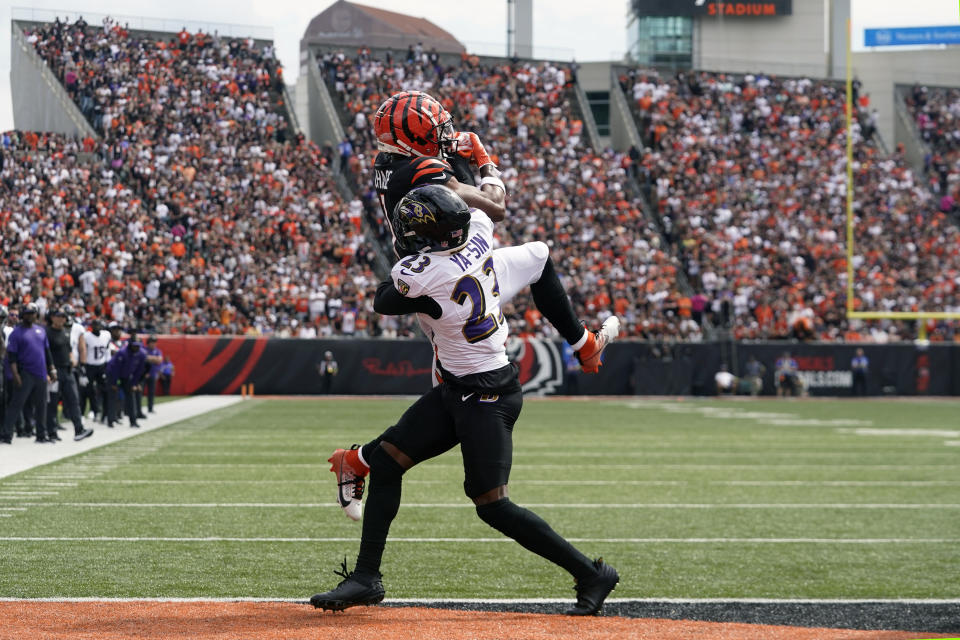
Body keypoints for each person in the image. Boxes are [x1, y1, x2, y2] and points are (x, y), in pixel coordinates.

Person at [309, 185, 620, 616]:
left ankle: (591, 573)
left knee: (492, 505)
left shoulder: (422, 273)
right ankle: (366, 577)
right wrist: (476, 174)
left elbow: (384, 299)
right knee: (387, 462)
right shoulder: (477, 233)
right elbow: (509, 226)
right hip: (461, 387)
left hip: (487, 396)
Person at [1, 303, 56, 444]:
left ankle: (41, 435)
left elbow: (47, 352)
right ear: (22, 315)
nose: (30, 315)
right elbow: (11, 356)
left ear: (36, 315)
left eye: (32, 313)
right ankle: (7, 435)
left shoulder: (41, 331)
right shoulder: (16, 333)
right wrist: (16, 375)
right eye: (27, 313)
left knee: (41, 405)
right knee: (16, 404)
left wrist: (52, 369)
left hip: (41, 373)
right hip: (25, 372)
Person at [45, 308, 93, 441]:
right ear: (52, 317)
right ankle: (51, 432)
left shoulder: (65, 332)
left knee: (74, 400)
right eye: (59, 316)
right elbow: (44, 353)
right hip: (55, 371)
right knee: (53, 403)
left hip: (67, 370)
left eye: (63, 317)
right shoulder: (47, 333)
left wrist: (73, 358)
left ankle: (79, 429)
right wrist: (48, 372)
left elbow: (69, 350)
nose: (62, 319)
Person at [105, 337, 147, 428]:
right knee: (113, 396)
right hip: (113, 374)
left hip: (126, 376)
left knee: (131, 397)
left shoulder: (142, 355)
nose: (136, 348)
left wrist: (134, 383)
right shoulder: (122, 353)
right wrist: (114, 383)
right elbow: (115, 369)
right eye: (134, 346)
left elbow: (139, 371)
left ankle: (133, 421)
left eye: (138, 346)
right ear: (130, 345)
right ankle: (111, 420)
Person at [81, 318, 111, 422]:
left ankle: (106, 414)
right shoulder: (87, 336)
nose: (97, 327)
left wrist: (108, 364)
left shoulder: (106, 335)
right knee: (87, 390)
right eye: (95, 325)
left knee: (105, 390)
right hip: (90, 365)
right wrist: (83, 368)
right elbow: (82, 351)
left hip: (102, 365)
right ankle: (93, 410)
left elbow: (107, 350)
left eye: (98, 325)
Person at [142, 335, 163, 413]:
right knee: (140, 392)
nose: (153, 344)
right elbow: (144, 358)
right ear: (148, 343)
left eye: (154, 342)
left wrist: (150, 358)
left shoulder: (158, 351)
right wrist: (154, 358)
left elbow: (159, 360)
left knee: (151, 392)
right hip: (143, 374)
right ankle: (138, 409)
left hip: (153, 374)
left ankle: (150, 408)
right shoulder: (144, 349)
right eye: (152, 342)